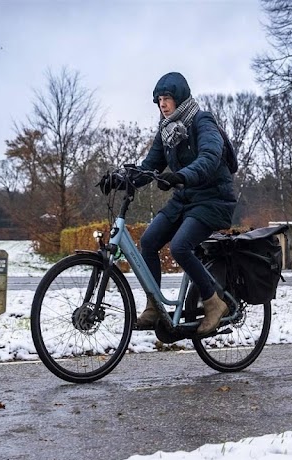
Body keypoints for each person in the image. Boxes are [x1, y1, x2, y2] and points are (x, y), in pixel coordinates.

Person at [99, 72, 237, 336]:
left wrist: (181, 175)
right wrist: (120, 179)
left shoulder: (202, 121)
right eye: (159, 100)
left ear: (180, 98)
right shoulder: (166, 130)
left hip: (213, 199)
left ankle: (214, 303)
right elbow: (149, 166)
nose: (162, 104)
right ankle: (154, 306)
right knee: (149, 241)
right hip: (186, 198)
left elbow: (209, 156)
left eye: (167, 98)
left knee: (180, 247)